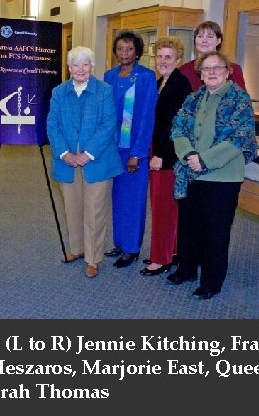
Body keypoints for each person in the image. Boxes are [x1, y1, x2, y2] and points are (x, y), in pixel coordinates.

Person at [166, 51, 256, 299]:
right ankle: (187, 270)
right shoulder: (194, 98)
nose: (212, 72)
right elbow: (178, 127)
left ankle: (211, 282)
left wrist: (204, 160)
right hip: (191, 173)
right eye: (206, 69)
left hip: (223, 177)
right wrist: (188, 155)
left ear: (228, 71)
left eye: (217, 67)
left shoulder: (239, 98)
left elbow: (239, 137)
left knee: (215, 232)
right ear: (200, 74)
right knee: (189, 226)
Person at [47, 46, 123, 278]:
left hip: (98, 161)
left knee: (94, 211)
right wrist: (64, 154)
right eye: (76, 65)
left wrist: (87, 154)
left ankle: (93, 258)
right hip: (67, 162)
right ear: (69, 68)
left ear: (92, 66)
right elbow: (52, 125)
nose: (81, 69)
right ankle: (77, 249)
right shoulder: (59, 92)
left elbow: (109, 125)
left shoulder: (104, 91)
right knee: (72, 208)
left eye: (85, 64)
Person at [102, 30, 157, 268]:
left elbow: (146, 117)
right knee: (116, 198)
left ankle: (132, 248)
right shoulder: (109, 76)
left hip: (134, 151)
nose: (124, 53)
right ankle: (120, 243)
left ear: (138, 52)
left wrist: (138, 152)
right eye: (121, 49)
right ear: (115, 52)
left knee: (133, 200)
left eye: (130, 49)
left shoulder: (145, 77)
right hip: (112, 149)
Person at [141, 36, 192, 276]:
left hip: (167, 157)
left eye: (168, 57)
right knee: (164, 207)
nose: (162, 61)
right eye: (159, 56)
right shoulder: (161, 81)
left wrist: (161, 154)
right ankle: (168, 251)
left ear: (178, 59)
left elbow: (175, 125)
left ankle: (161, 259)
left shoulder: (180, 84)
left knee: (163, 208)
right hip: (158, 151)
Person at [179, 20, 246, 91]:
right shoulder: (184, 70)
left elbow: (242, 99)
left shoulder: (233, 69)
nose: (204, 40)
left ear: (218, 40)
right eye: (200, 36)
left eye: (210, 36)